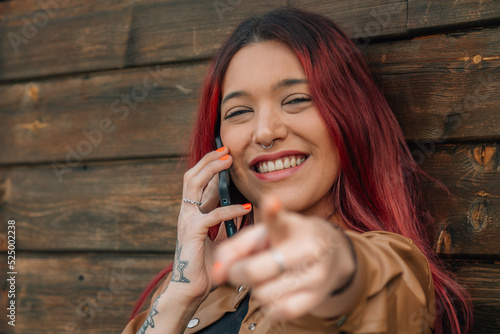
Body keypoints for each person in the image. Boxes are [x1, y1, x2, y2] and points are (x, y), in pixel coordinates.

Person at [122, 6, 473, 334]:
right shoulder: (191, 284)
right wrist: (179, 296)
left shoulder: (387, 266)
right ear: (218, 145)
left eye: (296, 100)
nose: (265, 132)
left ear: (350, 119)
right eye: (238, 112)